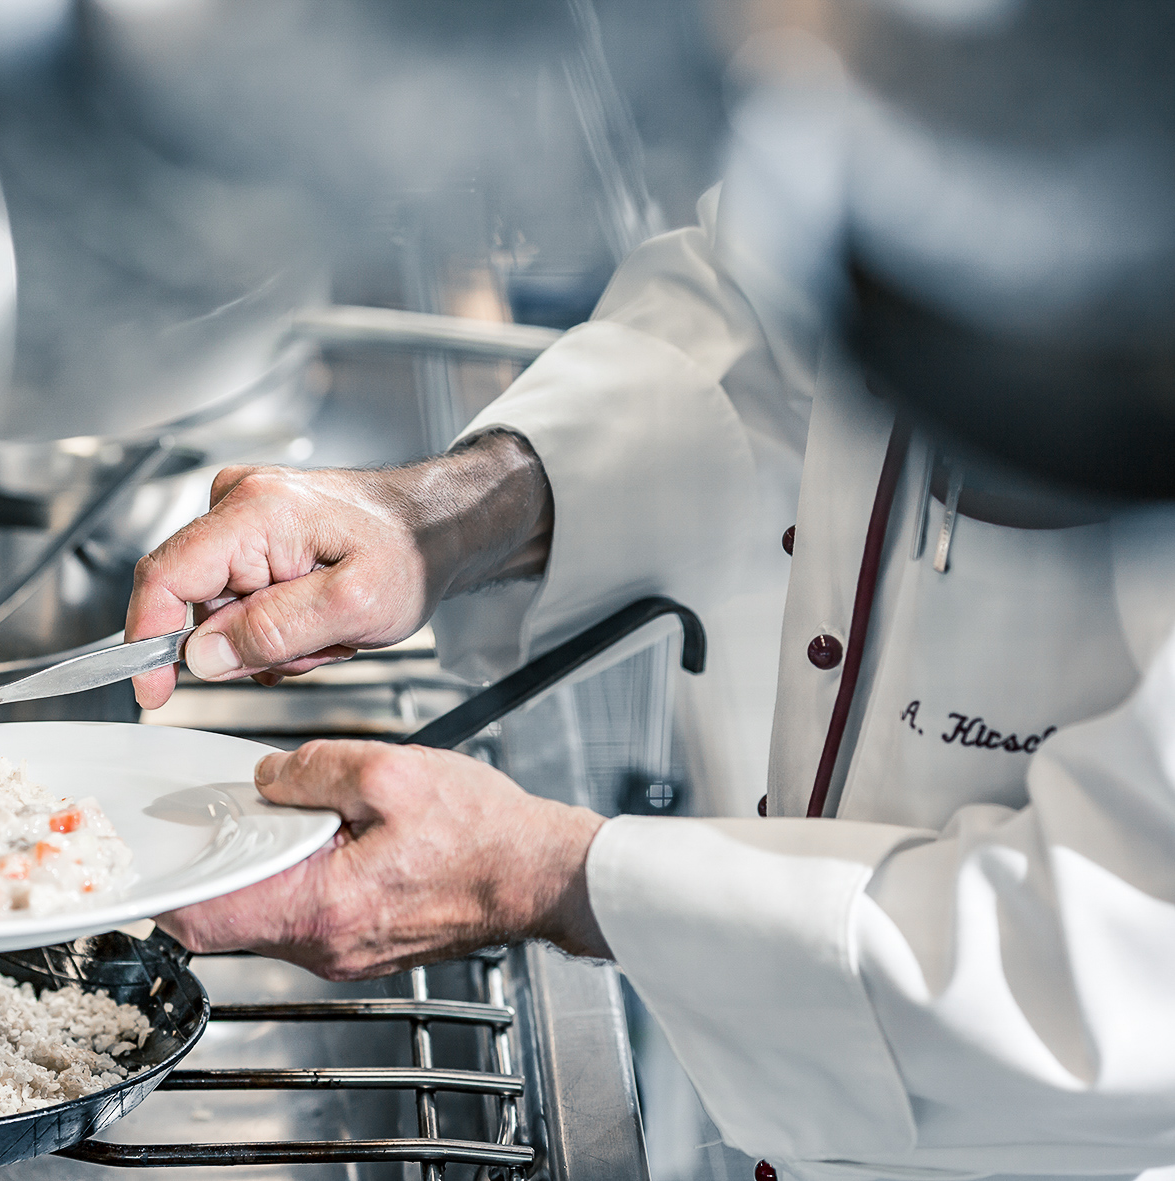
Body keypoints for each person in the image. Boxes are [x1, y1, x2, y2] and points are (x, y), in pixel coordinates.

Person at [125, 3, 1175, 1180]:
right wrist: (441, 516)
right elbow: (756, 320)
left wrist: (546, 871)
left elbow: (1121, 962)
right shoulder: (946, 68)